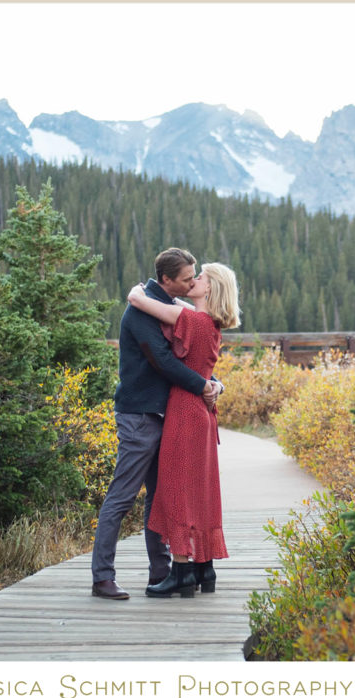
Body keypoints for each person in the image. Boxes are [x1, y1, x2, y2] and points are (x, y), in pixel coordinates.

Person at [90, 248, 222, 600]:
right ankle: (102, 577)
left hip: (168, 416)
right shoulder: (141, 309)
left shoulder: (175, 308)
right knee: (122, 496)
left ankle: (163, 571)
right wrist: (205, 387)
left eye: (196, 276)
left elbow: (193, 354)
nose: (192, 282)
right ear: (166, 280)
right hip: (139, 416)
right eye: (186, 279)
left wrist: (213, 382)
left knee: (160, 498)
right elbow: (164, 361)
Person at [127, 262, 241, 598]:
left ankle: (181, 571)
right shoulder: (208, 321)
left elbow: (141, 302)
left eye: (201, 277)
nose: (194, 279)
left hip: (185, 409)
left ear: (210, 288)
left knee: (175, 487)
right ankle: (205, 568)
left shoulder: (192, 321)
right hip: (202, 412)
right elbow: (181, 307)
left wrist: (136, 292)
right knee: (201, 489)